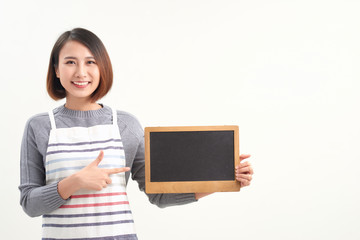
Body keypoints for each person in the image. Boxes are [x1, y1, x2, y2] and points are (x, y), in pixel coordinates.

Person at [18, 28, 254, 240]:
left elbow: (158, 194)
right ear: (56, 70)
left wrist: (223, 180)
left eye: (90, 62)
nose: (81, 72)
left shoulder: (124, 124)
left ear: (102, 68)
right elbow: (29, 203)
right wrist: (74, 182)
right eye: (70, 62)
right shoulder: (40, 126)